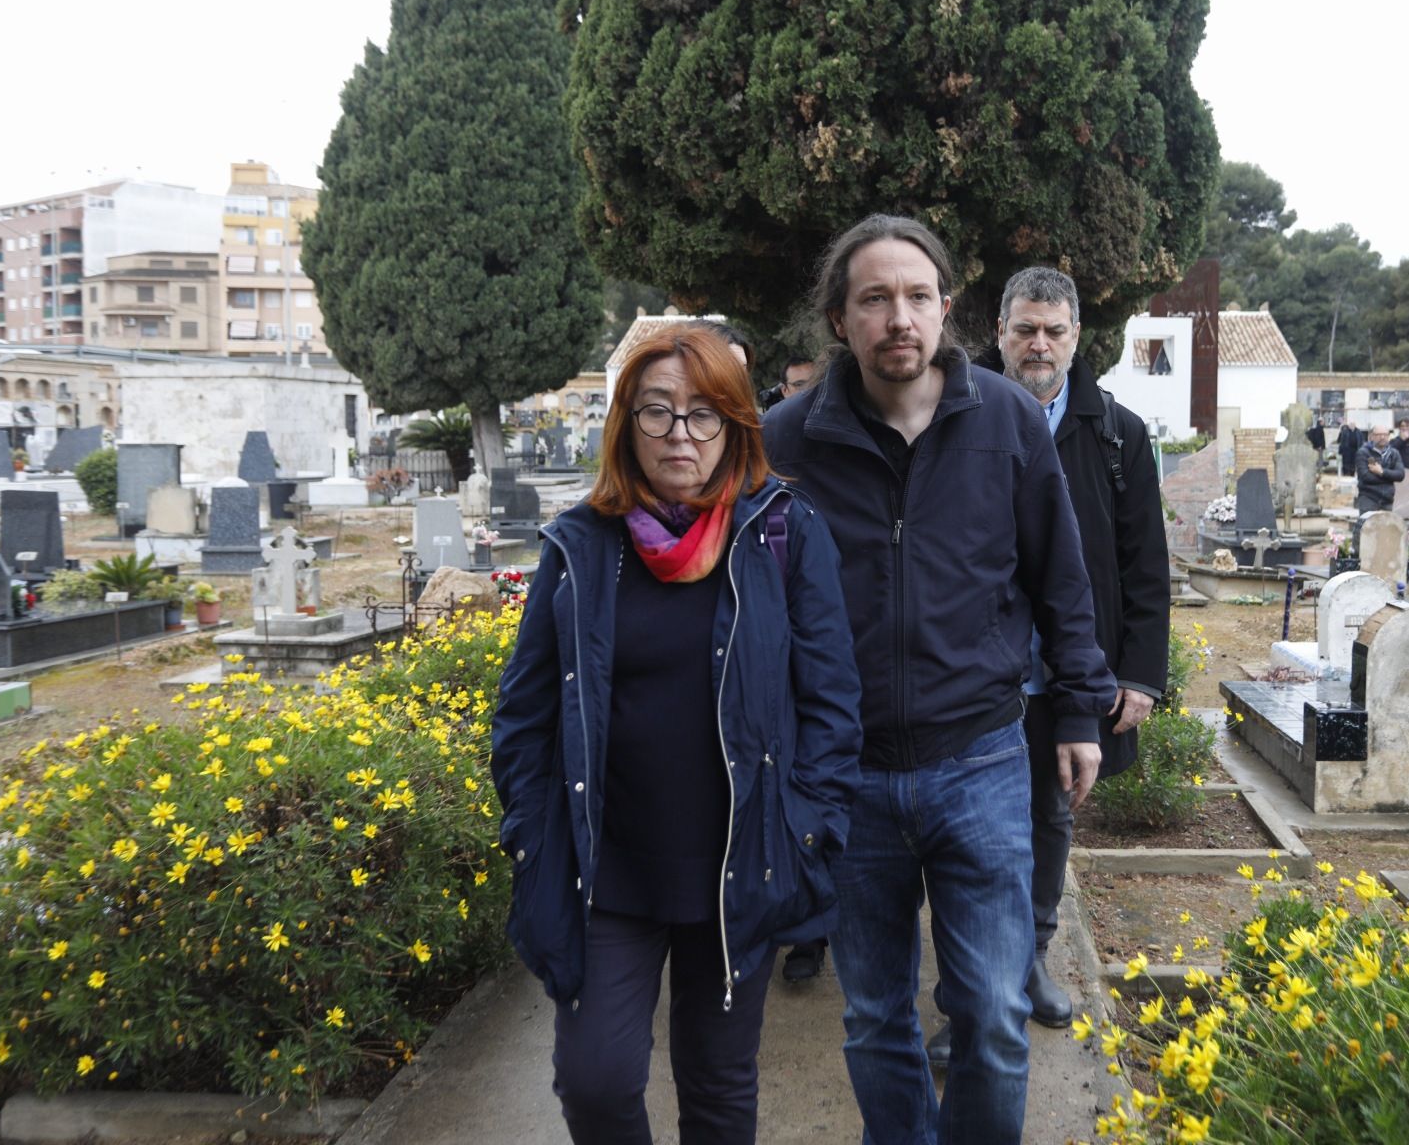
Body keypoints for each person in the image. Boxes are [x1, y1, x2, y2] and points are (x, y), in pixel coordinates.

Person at [762, 215, 1115, 1144]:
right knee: (876, 1020)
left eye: (917, 296)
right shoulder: (788, 443)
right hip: (851, 776)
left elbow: (1060, 576)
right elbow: (751, 609)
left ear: (947, 310)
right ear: (840, 319)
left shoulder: (1002, 422)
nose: (898, 318)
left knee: (994, 1017)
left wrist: (1078, 708)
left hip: (983, 764)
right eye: (873, 299)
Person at [491, 328, 864, 1144]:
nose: (680, 437)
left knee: (719, 1085)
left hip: (739, 864)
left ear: (736, 425)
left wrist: (807, 831)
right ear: (626, 426)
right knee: (595, 1080)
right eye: (657, 414)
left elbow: (833, 704)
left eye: (703, 416)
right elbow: (522, 713)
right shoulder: (581, 546)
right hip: (608, 867)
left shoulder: (783, 535)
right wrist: (532, 832)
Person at [911, 266, 1171, 1064]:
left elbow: (1144, 566)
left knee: (1049, 825)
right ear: (999, 332)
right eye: (1025, 329)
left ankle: (1029, 961)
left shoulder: (1117, 435)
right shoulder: (955, 417)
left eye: (1055, 331)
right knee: (971, 845)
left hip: (1063, 678)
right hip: (975, 677)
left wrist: (1137, 674)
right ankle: (970, 995)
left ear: (1077, 338)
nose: (1039, 345)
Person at [1355, 422, 1403, 513]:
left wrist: (1381, 472)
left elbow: (1400, 475)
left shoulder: (1394, 453)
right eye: (1379, 435)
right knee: (1367, 526)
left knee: (1387, 526)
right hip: (1368, 498)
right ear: (1371, 436)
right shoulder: (1363, 453)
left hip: (1387, 500)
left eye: (1385, 434)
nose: (1382, 437)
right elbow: (1365, 476)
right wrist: (1390, 478)